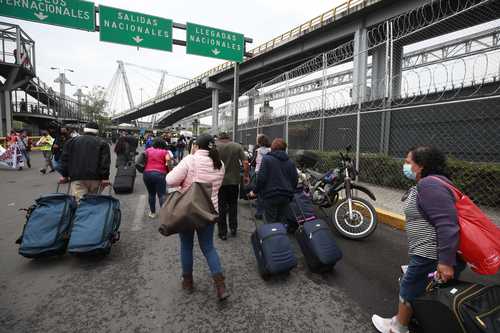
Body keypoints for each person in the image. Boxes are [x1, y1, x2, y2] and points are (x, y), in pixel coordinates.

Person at [372, 146, 466, 333]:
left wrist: (445, 262)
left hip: (430, 253)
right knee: (421, 284)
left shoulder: (430, 185)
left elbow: (447, 224)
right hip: (430, 252)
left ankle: (398, 327)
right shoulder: (431, 183)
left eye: (408, 162)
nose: (404, 165)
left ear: (421, 166)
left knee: (410, 285)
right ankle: (419, 317)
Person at [165, 133, 228, 301]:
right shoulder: (219, 163)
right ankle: (220, 286)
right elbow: (217, 186)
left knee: (186, 246)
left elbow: (170, 180)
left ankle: (188, 281)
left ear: (196, 146)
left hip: (189, 211)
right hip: (209, 211)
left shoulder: (190, 160)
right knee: (208, 247)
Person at [250, 138, 298, 224]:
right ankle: (280, 236)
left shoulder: (267, 159)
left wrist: (255, 191)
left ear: (273, 147)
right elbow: (295, 179)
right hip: (286, 196)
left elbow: (261, 178)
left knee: (270, 222)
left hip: (271, 195)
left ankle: (271, 236)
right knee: (282, 222)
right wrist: (291, 191)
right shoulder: (290, 162)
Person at [59, 122, 111, 200]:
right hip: (96, 178)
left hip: (77, 177)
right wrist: (105, 177)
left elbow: (65, 159)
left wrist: (64, 175)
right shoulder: (103, 143)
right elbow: (105, 161)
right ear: (97, 131)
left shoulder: (71, 141)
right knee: (93, 201)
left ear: (84, 130)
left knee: (80, 203)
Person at [216, 132, 249, 240]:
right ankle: (233, 228)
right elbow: (245, 162)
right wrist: (245, 175)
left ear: (220, 138)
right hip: (234, 181)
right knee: (233, 205)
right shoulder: (237, 146)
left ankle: (223, 232)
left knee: (221, 206)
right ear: (229, 138)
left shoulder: (215, 147)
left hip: (220, 181)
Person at [143, 138, 172, 219]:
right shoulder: (164, 152)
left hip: (147, 174)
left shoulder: (148, 150)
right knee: (162, 195)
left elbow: (143, 159)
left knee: (151, 194)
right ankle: (164, 214)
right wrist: (170, 170)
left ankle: (152, 213)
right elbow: (168, 160)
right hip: (160, 174)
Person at [251, 134, 271, 220]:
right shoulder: (271, 150)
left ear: (259, 142)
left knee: (259, 194)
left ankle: (259, 213)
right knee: (266, 193)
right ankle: (266, 212)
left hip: (258, 172)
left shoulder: (257, 151)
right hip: (269, 173)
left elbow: (253, 162)